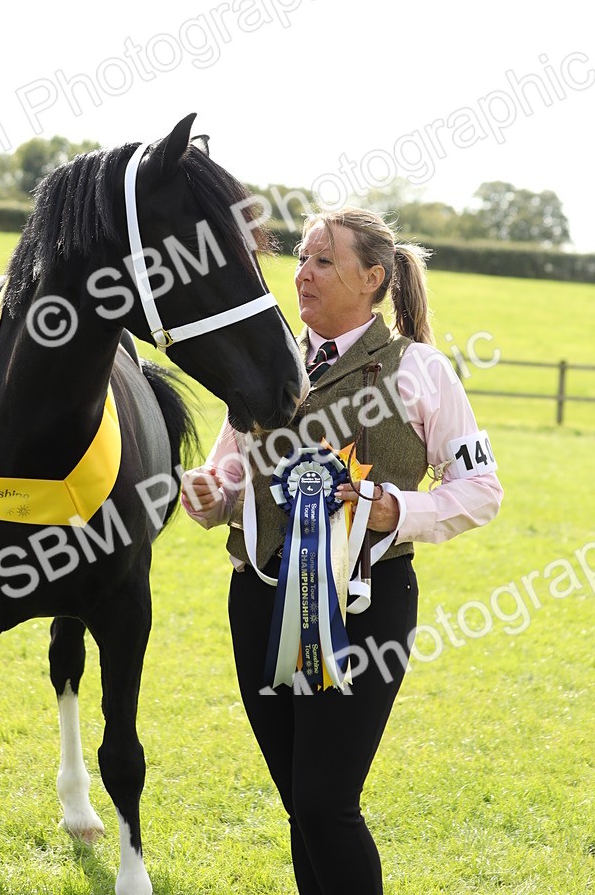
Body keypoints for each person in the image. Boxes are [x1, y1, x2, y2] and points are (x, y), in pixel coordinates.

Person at [181, 207, 503, 895]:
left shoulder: (422, 371)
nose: (301, 273)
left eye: (324, 260)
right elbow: (228, 479)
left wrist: (399, 509)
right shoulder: (261, 362)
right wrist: (210, 498)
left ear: (373, 278)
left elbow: (481, 488)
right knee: (303, 809)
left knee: (327, 806)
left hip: (365, 607)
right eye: (301, 256)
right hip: (257, 602)